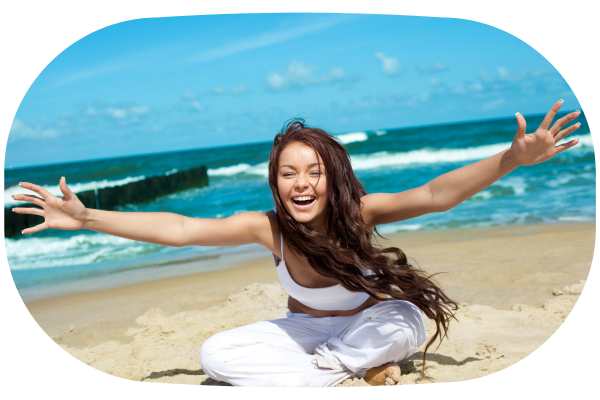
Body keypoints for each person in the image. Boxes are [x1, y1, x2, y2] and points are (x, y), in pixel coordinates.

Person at [12, 99, 581, 386]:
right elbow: (182, 228)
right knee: (215, 353)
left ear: (331, 175)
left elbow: (435, 193)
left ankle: (344, 366)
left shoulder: (359, 212)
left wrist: (512, 158)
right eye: (289, 173)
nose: (302, 183)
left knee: (404, 319)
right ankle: (354, 371)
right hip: (305, 332)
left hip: (365, 325)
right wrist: (87, 219)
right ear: (275, 181)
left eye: (313, 171)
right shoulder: (268, 228)